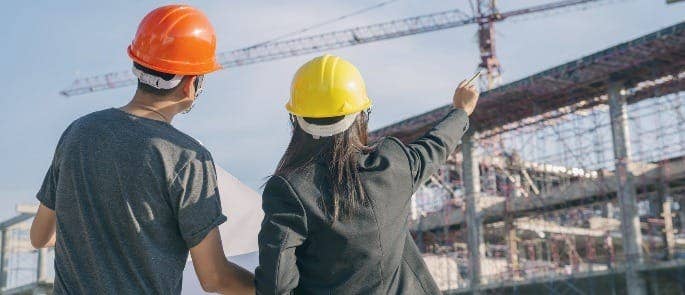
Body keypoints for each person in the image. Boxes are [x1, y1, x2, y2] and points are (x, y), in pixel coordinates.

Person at [29, 5, 254, 294]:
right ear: (189, 85)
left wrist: (93, 236)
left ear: (137, 66)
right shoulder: (186, 158)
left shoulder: (77, 132)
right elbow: (214, 278)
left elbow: (39, 236)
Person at [255, 54, 479, 294]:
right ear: (362, 115)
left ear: (296, 119)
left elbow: (276, 286)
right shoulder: (392, 164)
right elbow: (435, 145)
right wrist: (460, 111)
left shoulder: (290, 190)